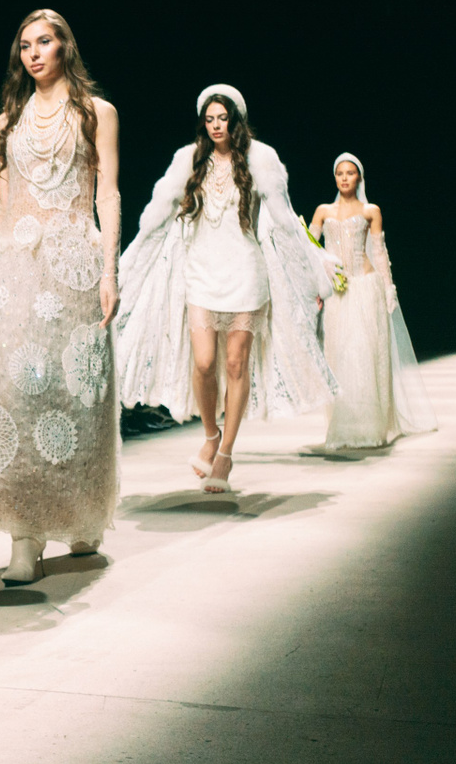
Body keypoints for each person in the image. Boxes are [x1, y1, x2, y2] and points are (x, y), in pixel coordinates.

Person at [0, 9, 120, 585]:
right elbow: (5, 204)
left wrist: (109, 270)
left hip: (75, 266)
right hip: (17, 270)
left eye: (44, 41)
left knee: (74, 392)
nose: (33, 53)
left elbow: (107, 194)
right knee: (17, 395)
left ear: (64, 47)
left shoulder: (98, 112)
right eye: (25, 44)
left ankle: (80, 513)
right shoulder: (9, 120)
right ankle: (24, 536)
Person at [114, 86, 335, 492]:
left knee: (235, 364)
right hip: (201, 272)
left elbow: (286, 222)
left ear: (236, 121)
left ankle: (226, 454)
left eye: (223, 118)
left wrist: (312, 272)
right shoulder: (188, 160)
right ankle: (210, 435)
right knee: (203, 363)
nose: (216, 126)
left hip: (247, 273)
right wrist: (129, 263)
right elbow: (156, 218)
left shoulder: (260, 160)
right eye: (210, 119)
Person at [308, 153, 436, 450]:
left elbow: (379, 251)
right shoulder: (323, 211)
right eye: (339, 173)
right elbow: (309, 249)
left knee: (364, 353)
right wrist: (319, 276)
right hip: (337, 293)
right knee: (340, 357)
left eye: (350, 173)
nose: (344, 178)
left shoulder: (371, 210)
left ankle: (372, 426)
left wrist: (389, 288)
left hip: (366, 287)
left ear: (359, 178)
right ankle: (345, 424)